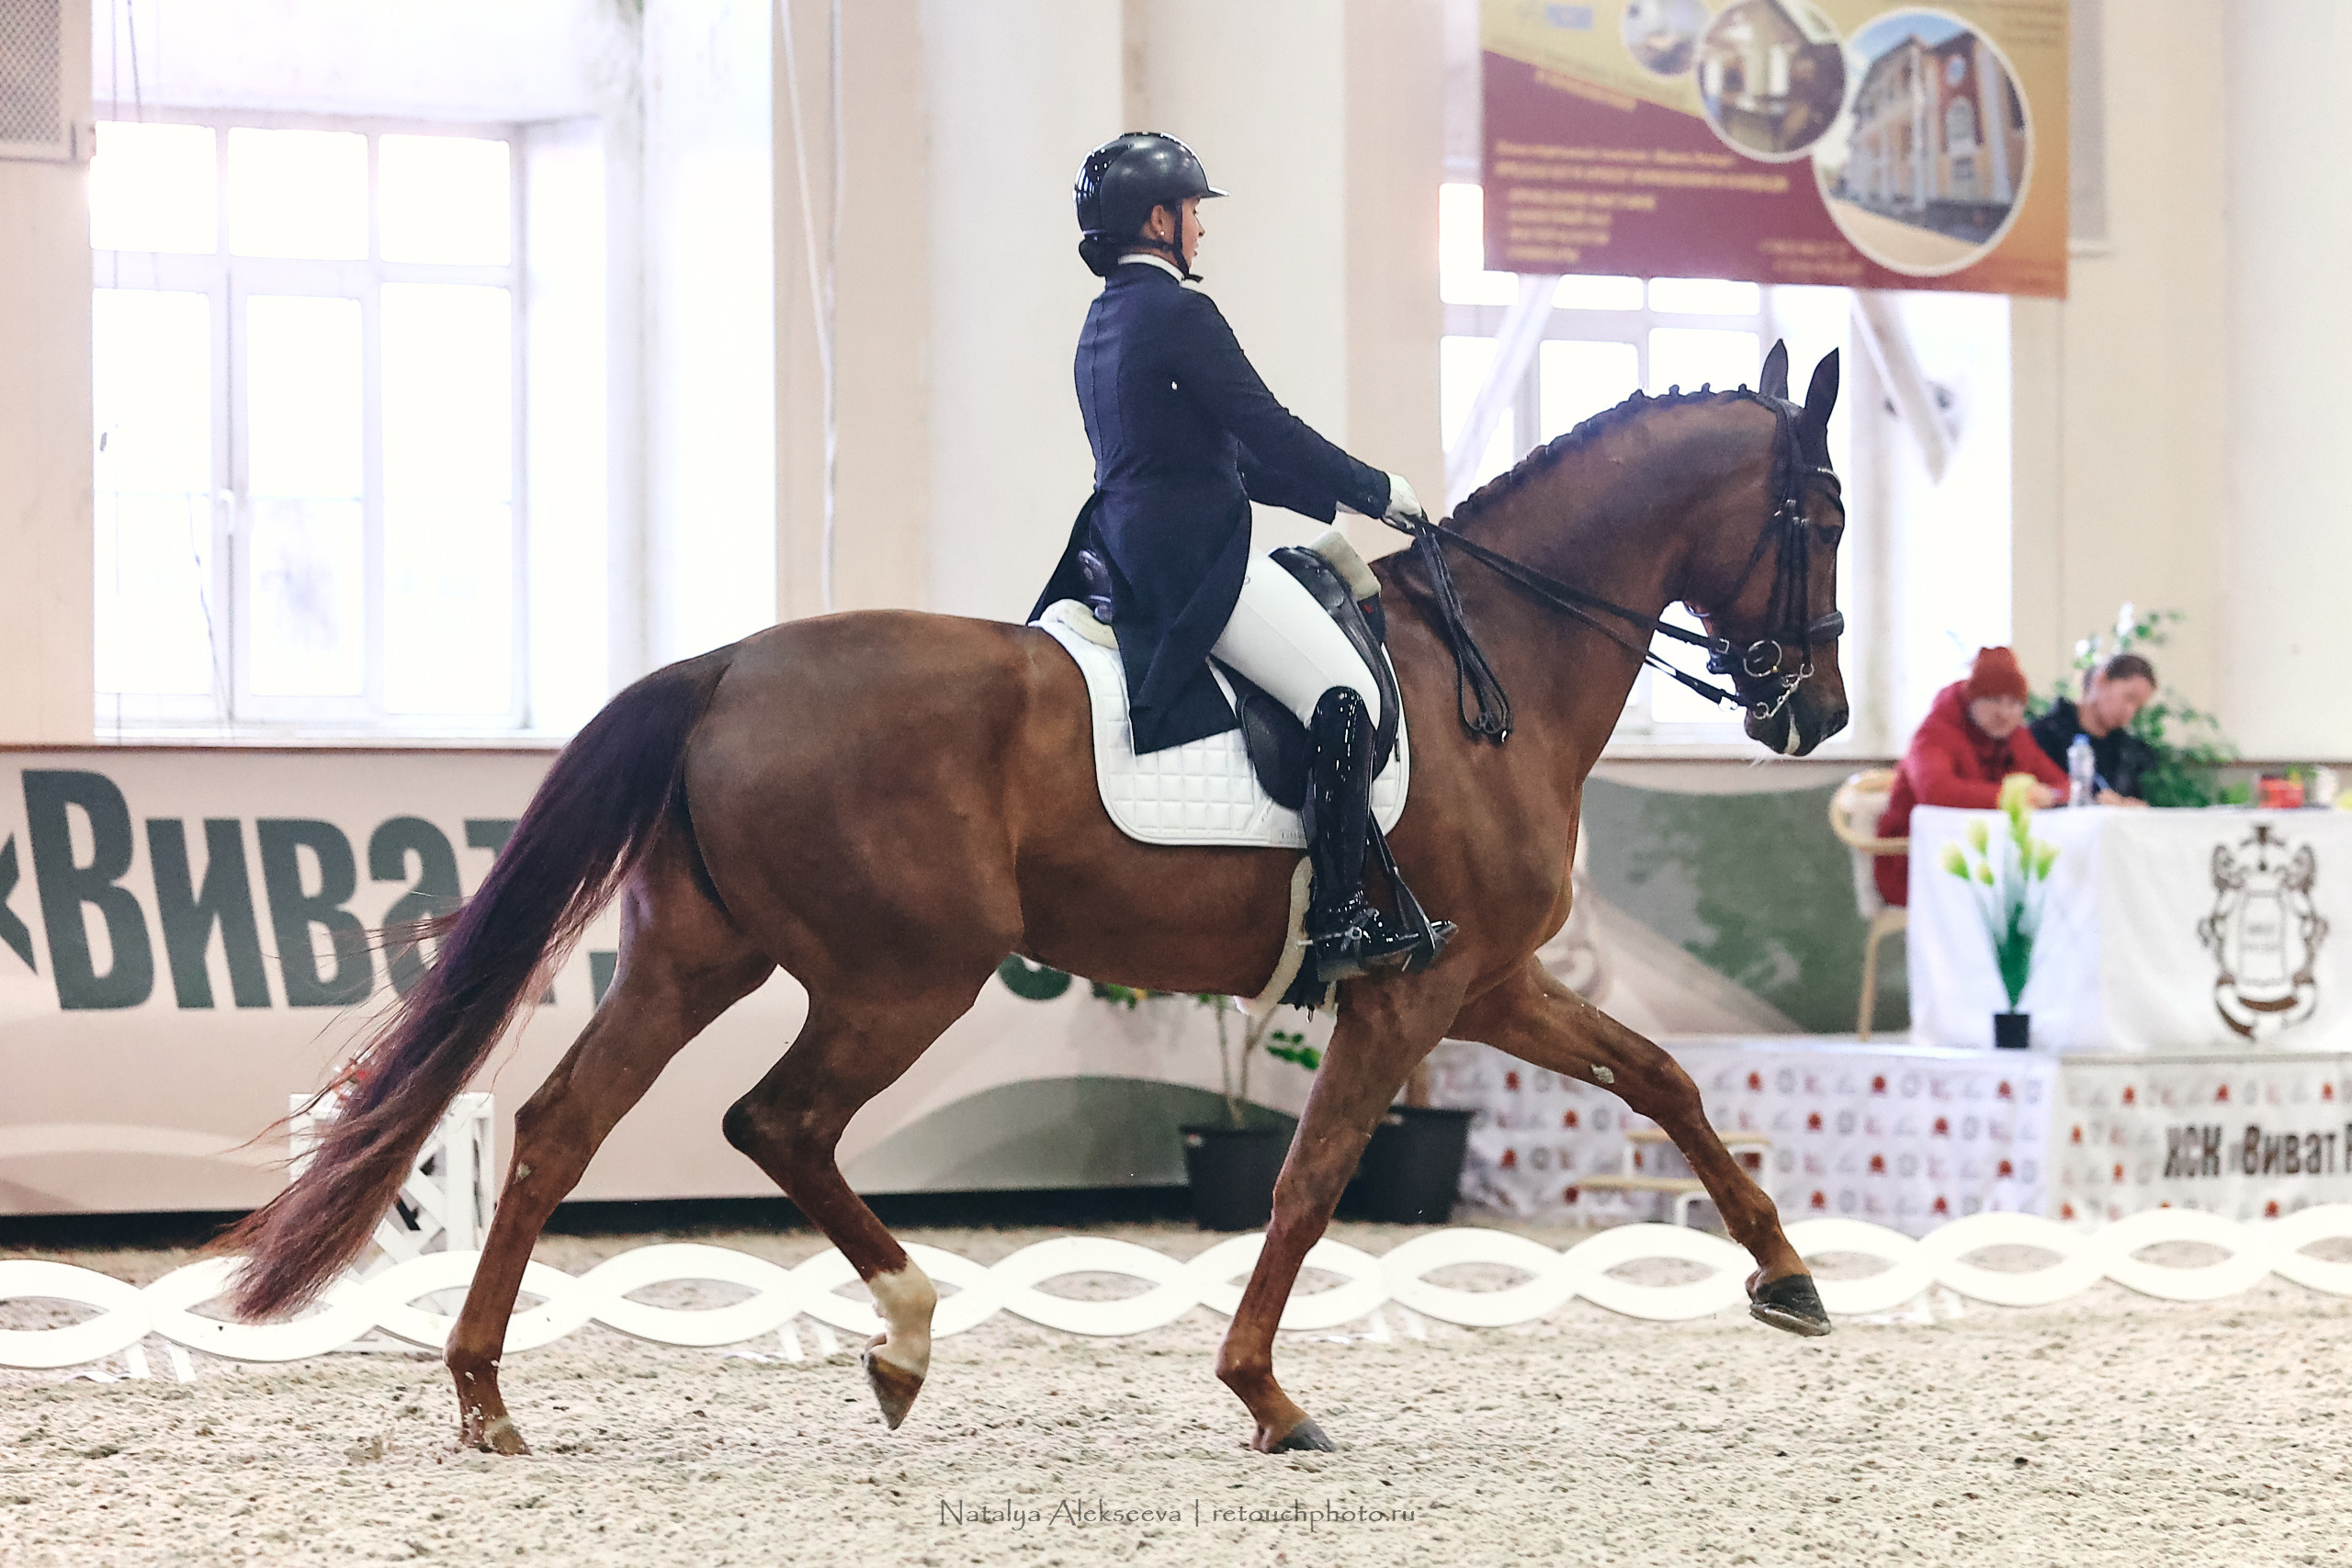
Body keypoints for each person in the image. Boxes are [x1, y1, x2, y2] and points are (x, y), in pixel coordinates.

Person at [1031, 133, 1445, 982]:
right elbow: (1267, 425)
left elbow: (1221, 454)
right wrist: (1380, 488)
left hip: (1120, 545)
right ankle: (1337, 919)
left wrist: (1338, 502)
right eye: (1192, 213)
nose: (1201, 230)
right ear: (1159, 218)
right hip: (1193, 556)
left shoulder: (1104, 319)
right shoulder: (1182, 314)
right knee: (1346, 693)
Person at [1873, 647, 2071, 908]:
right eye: (1993, 700)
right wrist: (2014, 797)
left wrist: (2051, 796)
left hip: (1987, 860)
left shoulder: (2016, 737)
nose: (2004, 713)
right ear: (1972, 700)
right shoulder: (1934, 733)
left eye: (2014, 703)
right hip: (1919, 862)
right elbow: (1936, 792)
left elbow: (2063, 785)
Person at [2025, 652, 2158, 805]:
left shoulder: (2127, 752)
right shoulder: (2044, 734)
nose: (2130, 711)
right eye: (2128, 698)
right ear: (2101, 680)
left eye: (2138, 707)